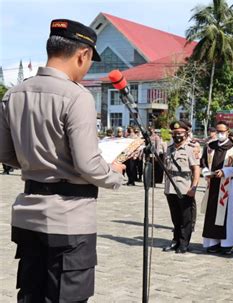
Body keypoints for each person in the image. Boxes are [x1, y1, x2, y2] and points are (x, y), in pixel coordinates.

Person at [0, 19, 125, 302]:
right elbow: (88, 163)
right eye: (90, 60)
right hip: (68, 220)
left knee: (31, 295)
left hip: (28, 215)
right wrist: (114, 173)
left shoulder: (14, 94)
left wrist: (38, 163)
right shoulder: (76, 96)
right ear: (83, 54)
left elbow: (5, 154)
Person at [200, 121, 233, 254]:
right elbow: (203, 163)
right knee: (212, 213)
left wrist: (225, 172)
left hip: (227, 185)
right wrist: (206, 172)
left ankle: (227, 243)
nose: (219, 134)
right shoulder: (210, 147)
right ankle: (213, 242)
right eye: (217, 132)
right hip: (213, 184)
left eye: (222, 132)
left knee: (228, 214)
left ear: (228, 132)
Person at [163, 121, 201, 253]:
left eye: (180, 133)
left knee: (186, 217)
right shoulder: (169, 149)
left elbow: (196, 169)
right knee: (175, 217)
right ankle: (176, 240)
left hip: (184, 186)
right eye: (174, 133)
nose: (177, 135)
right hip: (170, 186)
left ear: (186, 134)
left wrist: (194, 186)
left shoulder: (191, 149)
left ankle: (184, 243)